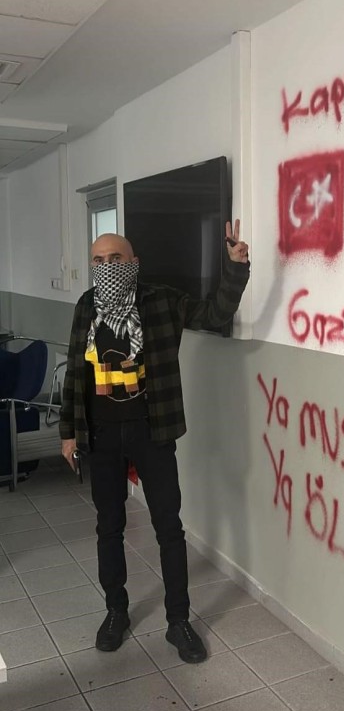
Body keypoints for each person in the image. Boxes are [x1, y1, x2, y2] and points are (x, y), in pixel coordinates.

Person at [60, 221, 250, 663]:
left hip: (153, 431)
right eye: (99, 261)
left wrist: (235, 267)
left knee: (169, 528)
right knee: (109, 527)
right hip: (102, 436)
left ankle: (178, 621)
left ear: (134, 262)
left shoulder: (162, 301)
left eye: (116, 259)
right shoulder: (86, 306)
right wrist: (68, 433)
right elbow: (75, 372)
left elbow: (215, 313)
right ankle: (116, 612)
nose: (107, 267)